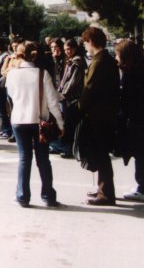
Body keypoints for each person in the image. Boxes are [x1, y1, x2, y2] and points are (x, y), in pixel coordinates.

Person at [6, 41, 64, 208]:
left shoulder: (12, 74)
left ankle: (22, 197)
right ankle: (48, 197)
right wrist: (60, 123)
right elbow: (53, 102)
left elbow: (11, 95)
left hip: (18, 120)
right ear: (35, 55)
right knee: (43, 160)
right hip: (39, 121)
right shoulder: (42, 74)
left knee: (24, 159)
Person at [78, 27, 120, 206]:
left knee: (101, 154)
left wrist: (79, 108)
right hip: (105, 114)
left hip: (99, 115)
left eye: (85, 42)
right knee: (101, 154)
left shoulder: (100, 61)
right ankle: (103, 189)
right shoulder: (105, 60)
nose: (85, 46)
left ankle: (106, 193)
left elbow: (90, 89)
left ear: (91, 42)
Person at [115, 39, 144, 201]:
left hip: (137, 120)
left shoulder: (130, 73)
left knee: (140, 154)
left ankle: (142, 187)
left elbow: (127, 100)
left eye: (118, 54)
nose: (116, 58)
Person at [52, 39, 86, 158]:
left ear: (75, 48)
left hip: (73, 98)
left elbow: (73, 82)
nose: (67, 51)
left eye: (70, 49)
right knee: (67, 124)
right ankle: (68, 148)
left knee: (70, 125)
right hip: (67, 98)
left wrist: (62, 94)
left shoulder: (77, 62)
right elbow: (63, 79)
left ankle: (70, 149)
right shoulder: (70, 61)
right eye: (66, 49)